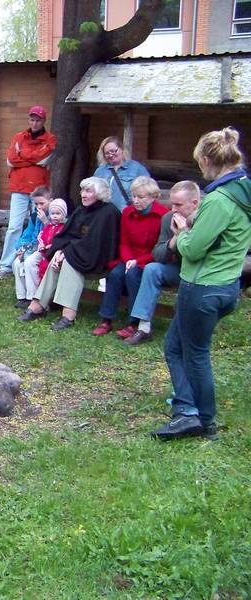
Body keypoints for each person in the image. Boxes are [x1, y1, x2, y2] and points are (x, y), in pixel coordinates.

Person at [152, 127, 251, 441]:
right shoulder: (242, 189)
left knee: (193, 353)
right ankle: (186, 410)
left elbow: (193, 248)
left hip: (203, 287)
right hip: (226, 285)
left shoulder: (219, 199)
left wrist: (180, 235)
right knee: (175, 347)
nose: (200, 168)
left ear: (209, 159)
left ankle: (203, 421)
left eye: (200, 162)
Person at [18, 177, 120, 331]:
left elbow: (96, 243)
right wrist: (60, 250)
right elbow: (67, 234)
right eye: (82, 190)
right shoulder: (81, 210)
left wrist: (67, 252)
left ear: (99, 194)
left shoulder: (109, 213)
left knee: (69, 261)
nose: (83, 195)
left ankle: (68, 314)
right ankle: (37, 305)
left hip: (99, 258)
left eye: (88, 191)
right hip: (79, 252)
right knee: (57, 261)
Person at [123, 181, 202, 345]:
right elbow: (158, 255)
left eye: (178, 205)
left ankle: (188, 327)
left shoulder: (206, 221)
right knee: (152, 269)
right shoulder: (169, 218)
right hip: (179, 269)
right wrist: (174, 238)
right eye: (172, 204)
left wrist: (185, 234)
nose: (173, 209)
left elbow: (198, 254)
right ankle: (143, 327)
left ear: (194, 203)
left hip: (202, 271)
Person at [91, 176, 168, 338]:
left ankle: (134, 322)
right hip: (129, 257)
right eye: (134, 196)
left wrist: (137, 262)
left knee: (133, 275)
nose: (136, 200)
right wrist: (128, 260)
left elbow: (159, 247)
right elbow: (124, 242)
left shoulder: (162, 215)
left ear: (153, 197)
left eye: (141, 197)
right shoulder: (127, 213)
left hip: (149, 259)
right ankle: (106, 319)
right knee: (115, 273)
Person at [0, 105, 57, 278]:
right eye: (32, 119)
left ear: (43, 121)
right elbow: (10, 160)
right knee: (14, 227)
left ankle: (33, 262)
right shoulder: (18, 137)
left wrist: (22, 154)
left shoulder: (50, 139)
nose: (35, 123)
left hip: (39, 191)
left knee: (38, 225)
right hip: (18, 188)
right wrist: (33, 159)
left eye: (38, 120)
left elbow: (45, 158)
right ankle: (6, 266)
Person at [12, 187, 52, 309]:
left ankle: (33, 297)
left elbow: (54, 234)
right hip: (32, 247)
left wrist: (45, 222)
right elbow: (27, 235)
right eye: (36, 204)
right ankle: (22, 297)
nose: (39, 207)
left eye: (42, 203)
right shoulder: (34, 216)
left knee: (30, 262)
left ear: (50, 201)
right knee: (17, 263)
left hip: (46, 248)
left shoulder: (55, 214)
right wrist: (21, 248)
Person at [23, 197, 67, 307]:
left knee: (50, 270)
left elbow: (62, 241)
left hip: (56, 253)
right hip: (44, 252)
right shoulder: (49, 226)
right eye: (53, 214)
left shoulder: (64, 227)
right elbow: (41, 235)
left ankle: (50, 299)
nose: (55, 216)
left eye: (58, 213)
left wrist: (51, 246)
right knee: (31, 263)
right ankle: (33, 297)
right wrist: (41, 244)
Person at [93, 136, 151, 212]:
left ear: (122, 149)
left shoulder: (136, 168)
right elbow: (93, 194)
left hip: (129, 214)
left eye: (113, 151)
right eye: (107, 153)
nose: (110, 155)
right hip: (105, 216)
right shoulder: (100, 171)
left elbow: (149, 191)